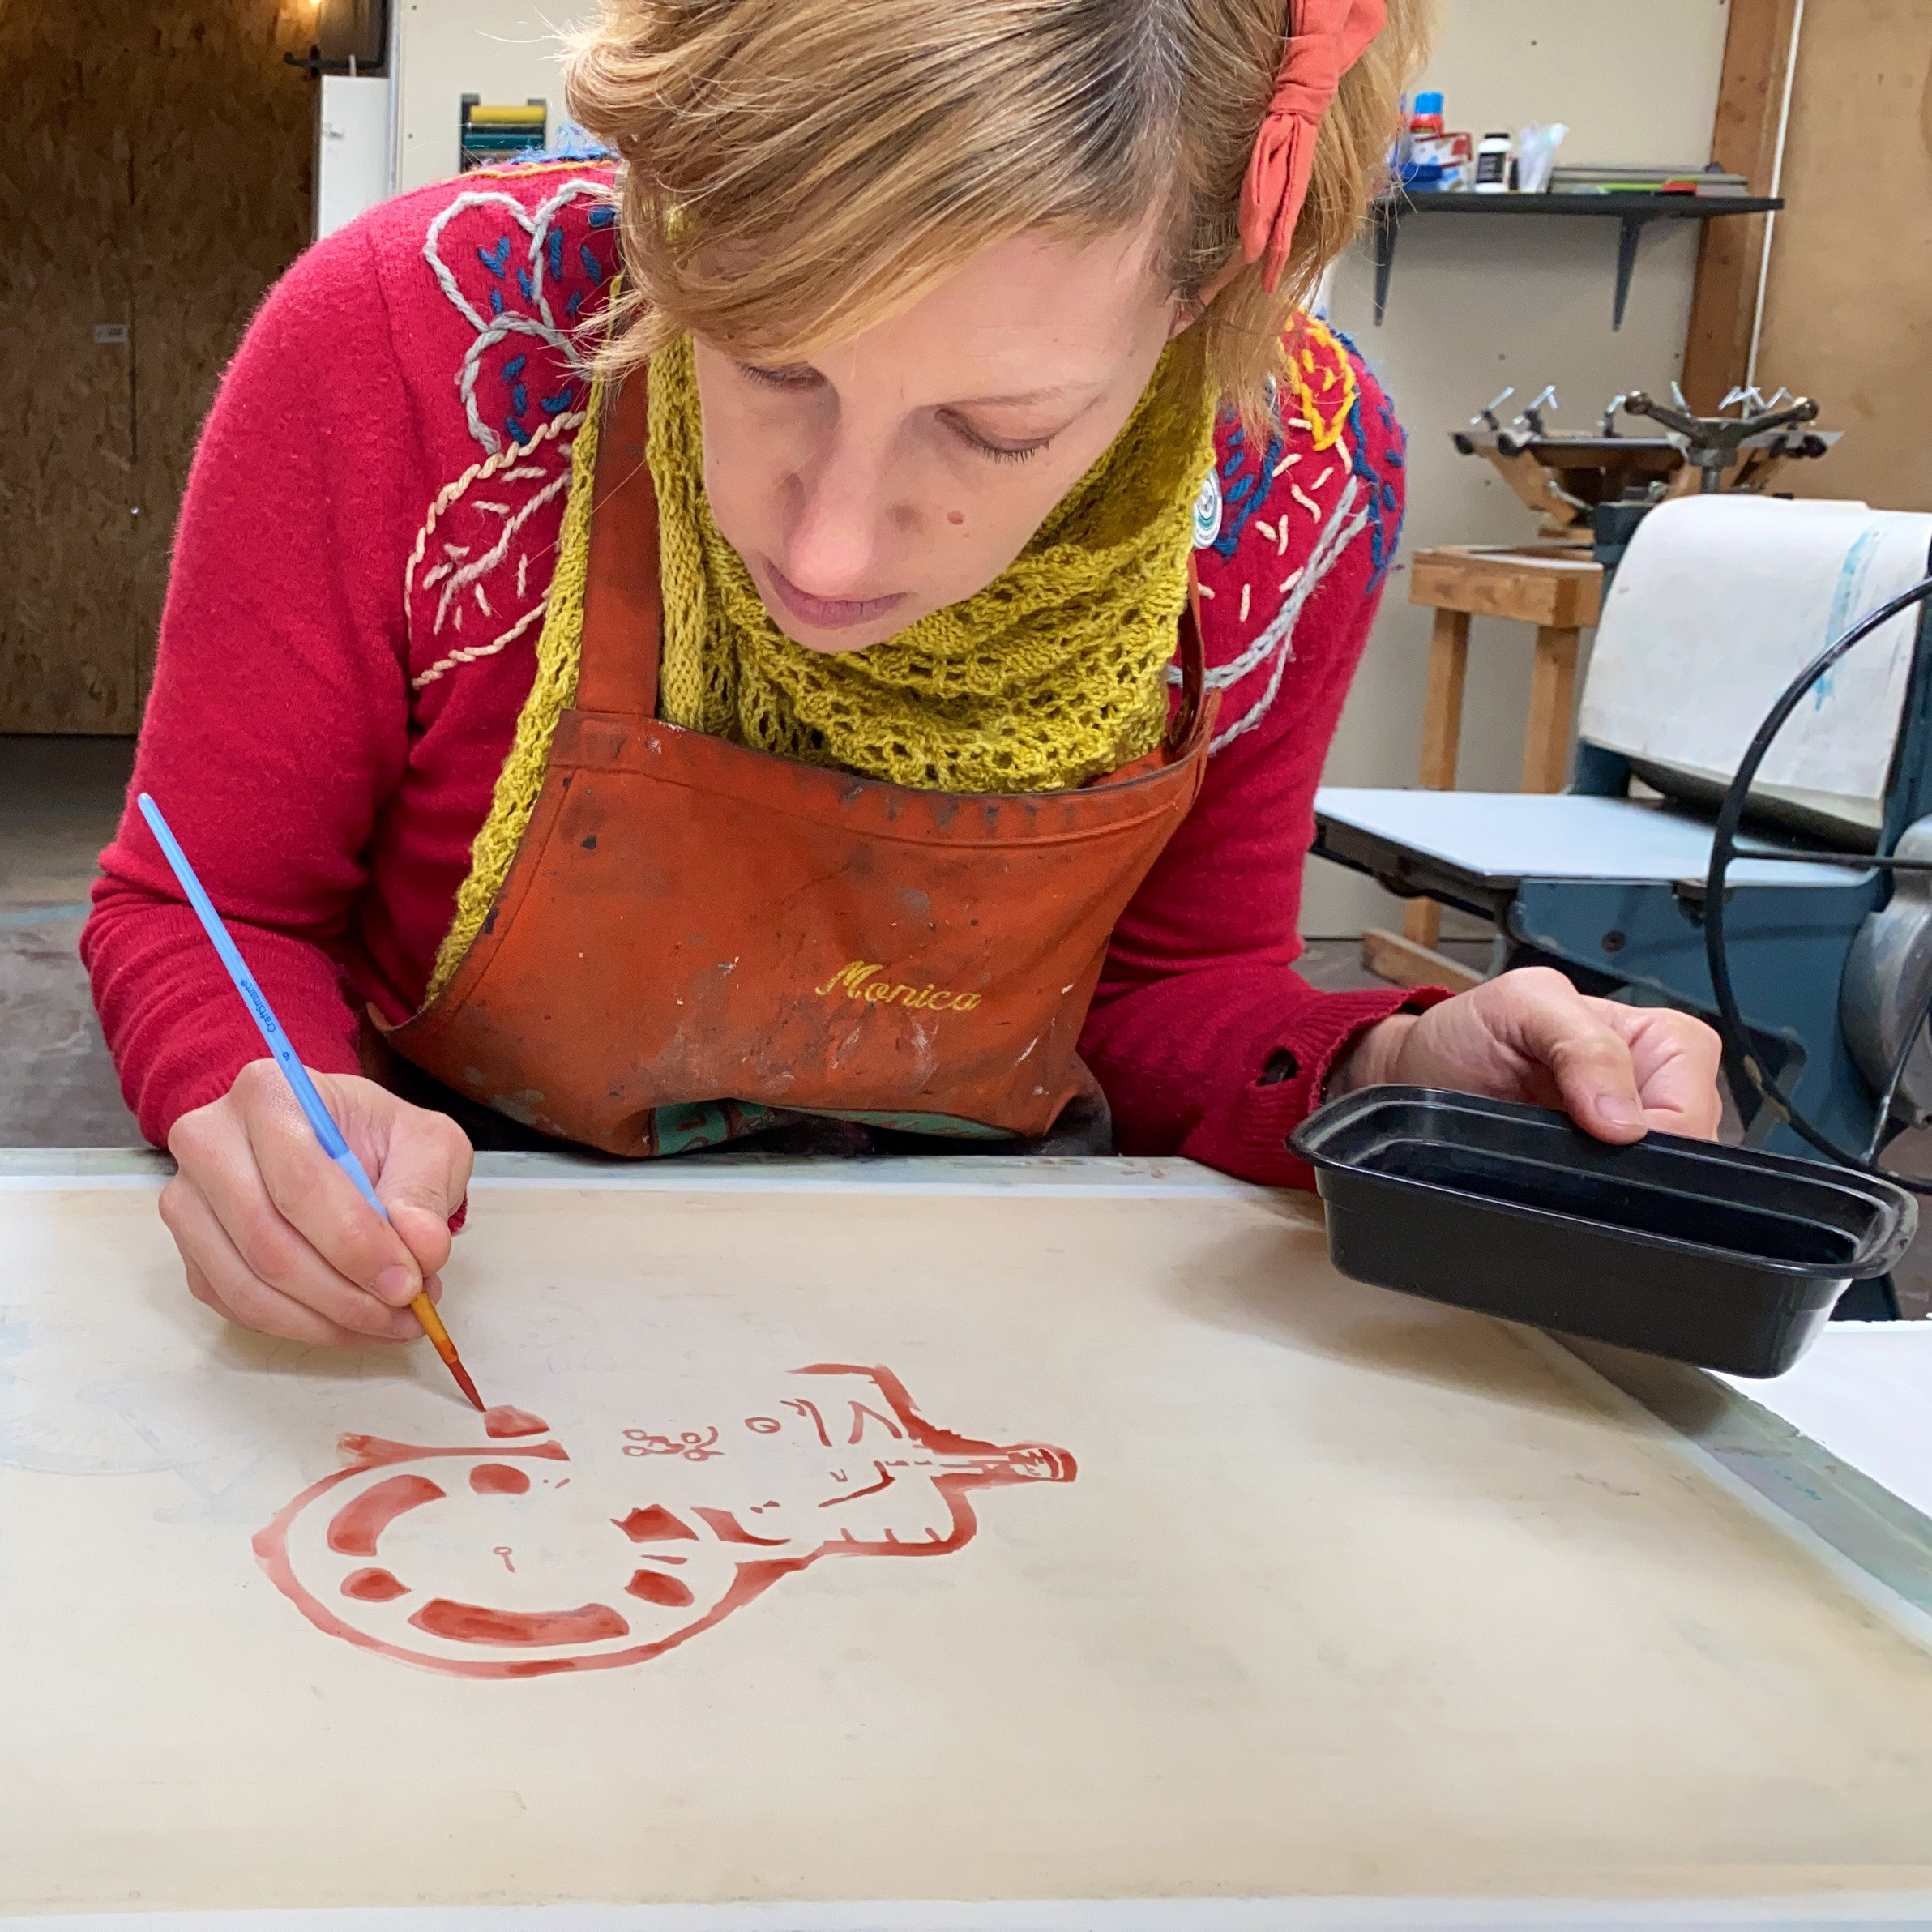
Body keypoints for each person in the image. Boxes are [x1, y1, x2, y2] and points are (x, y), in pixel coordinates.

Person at [83, 0, 1723, 1350]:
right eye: (770, 359)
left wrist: (1389, 1071)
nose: (837, 548)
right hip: (474, 1262)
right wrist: (270, 1101)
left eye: (1000, 431)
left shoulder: (1291, 480)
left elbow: (1160, 1001)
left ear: (1206, 303)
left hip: (983, 1314)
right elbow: (201, 906)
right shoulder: (417, 348)